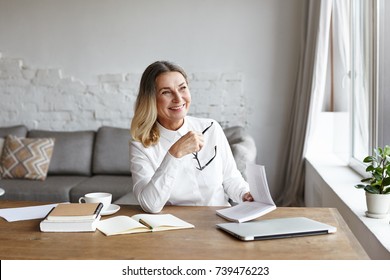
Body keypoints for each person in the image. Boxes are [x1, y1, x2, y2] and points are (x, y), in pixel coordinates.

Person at [130, 61, 253, 213]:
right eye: (166, 92)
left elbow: (231, 178)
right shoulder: (141, 145)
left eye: (182, 88)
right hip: (177, 227)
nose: (178, 98)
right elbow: (150, 205)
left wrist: (246, 195)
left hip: (220, 220)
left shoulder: (211, 128)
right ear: (151, 99)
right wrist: (174, 154)